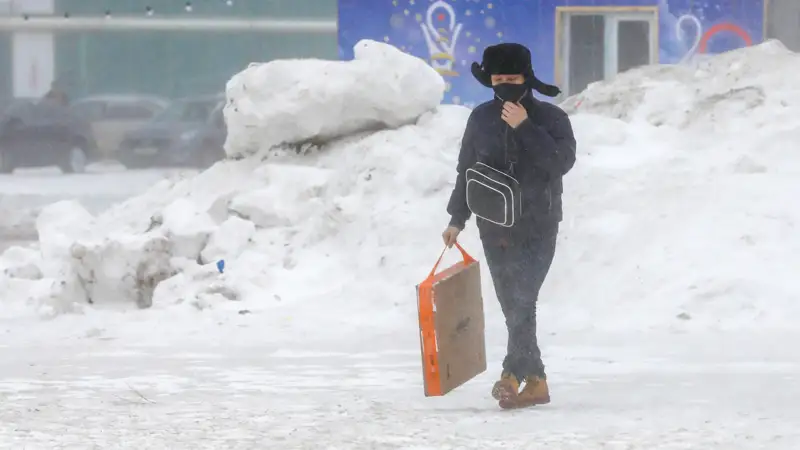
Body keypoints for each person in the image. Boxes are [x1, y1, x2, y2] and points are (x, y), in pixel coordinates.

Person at [441, 43, 576, 409]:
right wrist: (457, 218)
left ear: (526, 78)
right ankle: (534, 381)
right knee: (513, 302)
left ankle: (511, 374)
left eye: (512, 79)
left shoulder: (551, 119)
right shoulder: (481, 119)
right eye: (498, 80)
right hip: (494, 226)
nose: (505, 86)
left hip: (539, 224)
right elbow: (466, 171)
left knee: (522, 299)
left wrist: (525, 127)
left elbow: (560, 162)